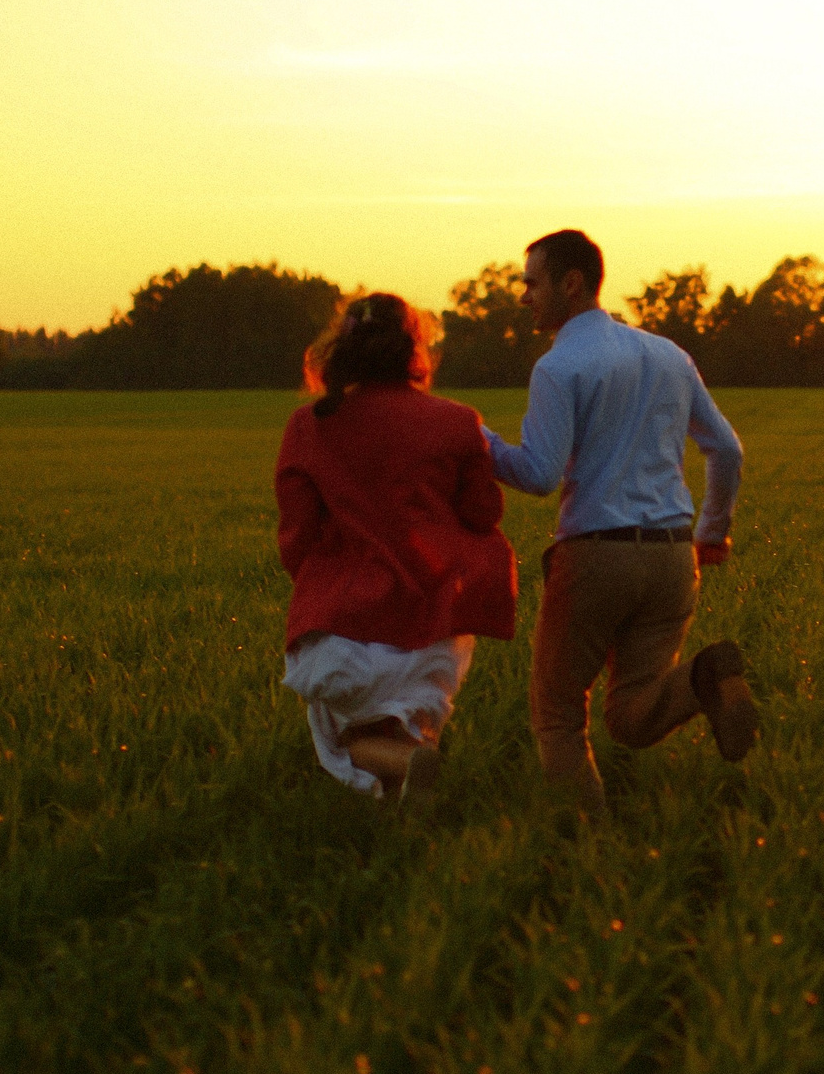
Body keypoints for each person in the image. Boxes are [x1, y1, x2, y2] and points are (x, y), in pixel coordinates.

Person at [485, 229, 758, 813]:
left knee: (557, 711)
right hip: (672, 557)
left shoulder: (560, 366)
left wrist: (475, 440)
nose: (524, 295)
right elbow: (727, 451)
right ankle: (709, 677)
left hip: (596, 555)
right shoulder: (667, 354)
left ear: (572, 283)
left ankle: (587, 844)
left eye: (532, 282)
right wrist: (712, 533)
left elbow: (537, 475)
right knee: (633, 713)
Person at [275, 294, 517, 800]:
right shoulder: (457, 421)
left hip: (346, 631)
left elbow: (296, 537)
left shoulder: (309, 425)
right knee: (401, 729)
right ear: (416, 348)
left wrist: (322, 585)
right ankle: (408, 788)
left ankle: (405, 766)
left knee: (351, 736)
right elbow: (482, 514)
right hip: (434, 630)